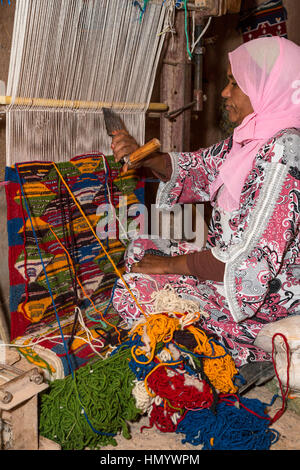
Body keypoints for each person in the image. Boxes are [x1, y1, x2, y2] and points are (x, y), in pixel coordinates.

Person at [110, 36, 300, 388]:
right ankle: (211, 339)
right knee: (141, 248)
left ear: (264, 87)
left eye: (234, 83)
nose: (224, 93)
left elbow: (252, 264)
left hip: (264, 295)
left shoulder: (285, 151)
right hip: (228, 265)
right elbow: (202, 168)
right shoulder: (255, 135)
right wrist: (146, 156)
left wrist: (169, 266)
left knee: (135, 289)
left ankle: (246, 349)